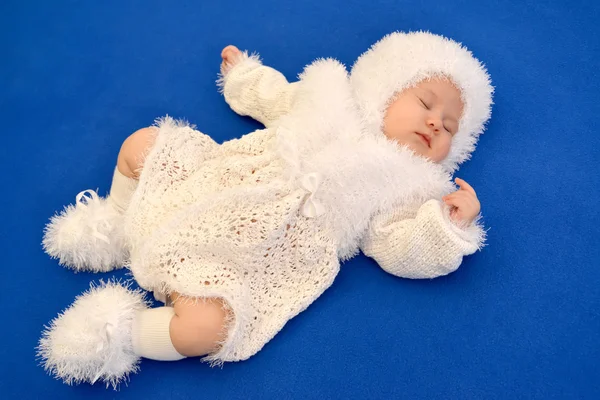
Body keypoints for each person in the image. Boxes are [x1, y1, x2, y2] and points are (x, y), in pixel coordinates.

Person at [38, 31, 494, 389]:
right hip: (217, 184)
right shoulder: (325, 98)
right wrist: (243, 74)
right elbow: (272, 95)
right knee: (144, 145)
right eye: (425, 104)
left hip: (254, 260)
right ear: (384, 89)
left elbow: (399, 247)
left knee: (207, 330)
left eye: (450, 126)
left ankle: (119, 335)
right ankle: (116, 222)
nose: (436, 122)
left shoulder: (407, 188)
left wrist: (447, 226)